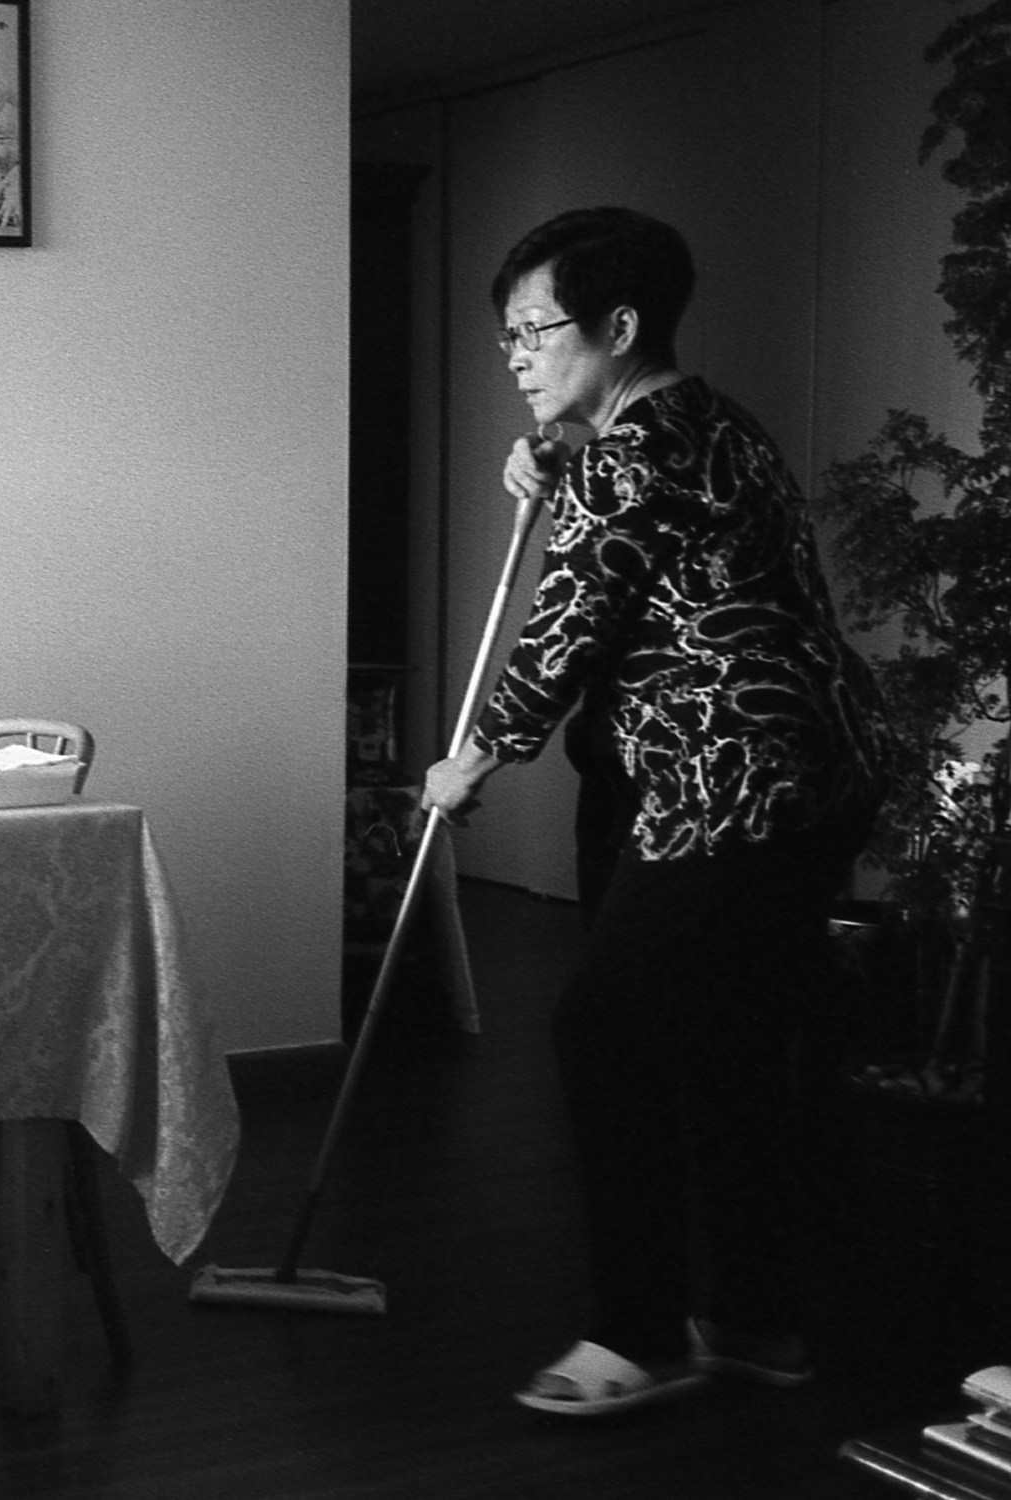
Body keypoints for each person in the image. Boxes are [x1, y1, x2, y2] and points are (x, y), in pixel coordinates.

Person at [421, 208, 889, 1417]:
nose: (513, 355)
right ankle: (755, 1323)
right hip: (812, 777)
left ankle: (639, 1333)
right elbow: (656, 555)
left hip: (731, 789)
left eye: (534, 331)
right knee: (725, 1047)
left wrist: (474, 754)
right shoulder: (703, 421)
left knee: (603, 1030)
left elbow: (568, 624)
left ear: (617, 327)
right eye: (506, 334)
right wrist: (559, 459)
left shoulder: (638, 451)